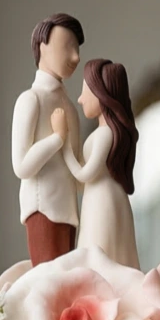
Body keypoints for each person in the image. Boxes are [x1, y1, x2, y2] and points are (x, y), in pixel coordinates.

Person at [51, 58, 140, 270]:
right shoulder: (104, 133)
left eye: (86, 92)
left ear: (102, 94)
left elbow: (85, 174)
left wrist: (63, 142)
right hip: (100, 199)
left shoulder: (105, 134)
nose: (80, 99)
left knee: (101, 259)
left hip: (103, 202)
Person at [11, 13, 84, 266]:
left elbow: (77, 169)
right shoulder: (30, 100)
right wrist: (56, 139)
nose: (75, 57)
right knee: (47, 279)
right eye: (67, 47)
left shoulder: (70, 106)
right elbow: (22, 166)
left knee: (68, 280)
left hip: (69, 211)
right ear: (43, 47)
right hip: (42, 208)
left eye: (77, 49)